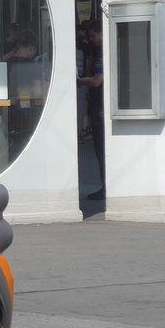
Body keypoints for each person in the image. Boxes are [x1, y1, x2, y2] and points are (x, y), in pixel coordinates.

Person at [77, 22, 105, 200]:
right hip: (97, 104)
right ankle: (105, 186)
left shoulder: (101, 53)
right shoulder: (97, 52)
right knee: (99, 149)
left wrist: (79, 81)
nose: (91, 39)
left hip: (99, 106)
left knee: (101, 148)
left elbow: (96, 81)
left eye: (93, 35)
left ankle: (106, 187)